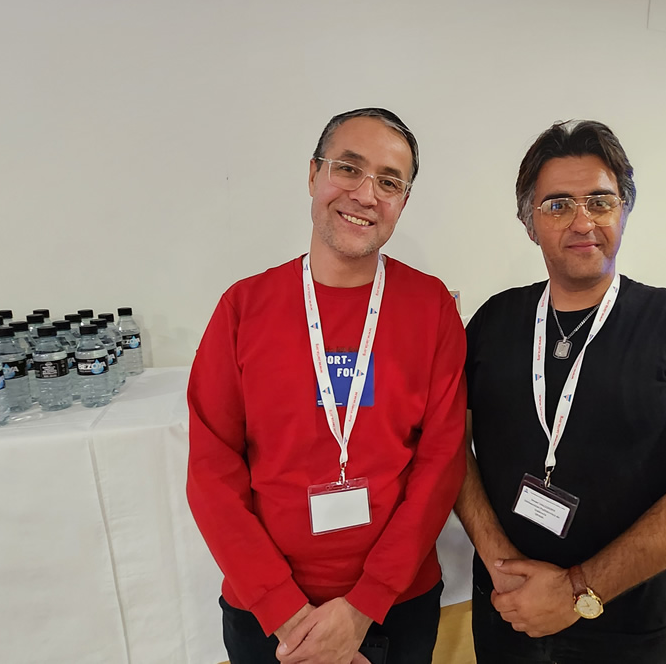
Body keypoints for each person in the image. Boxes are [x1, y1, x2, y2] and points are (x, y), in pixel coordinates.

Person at [456, 120, 666, 663]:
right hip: (506, 609)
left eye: (600, 202)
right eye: (557, 205)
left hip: (626, 625)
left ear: (624, 210)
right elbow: (450, 447)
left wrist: (576, 591)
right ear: (529, 222)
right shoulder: (492, 322)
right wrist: (500, 566)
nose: (582, 221)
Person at [187, 107, 467, 664]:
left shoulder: (432, 307)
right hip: (267, 614)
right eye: (349, 168)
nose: (365, 194)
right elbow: (211, 472)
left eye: (389, 182)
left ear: (403, 202)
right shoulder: (243, 307)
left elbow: (441, 464)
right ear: (314, 173)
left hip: (396, 606)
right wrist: (290, 618)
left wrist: (364, 606)